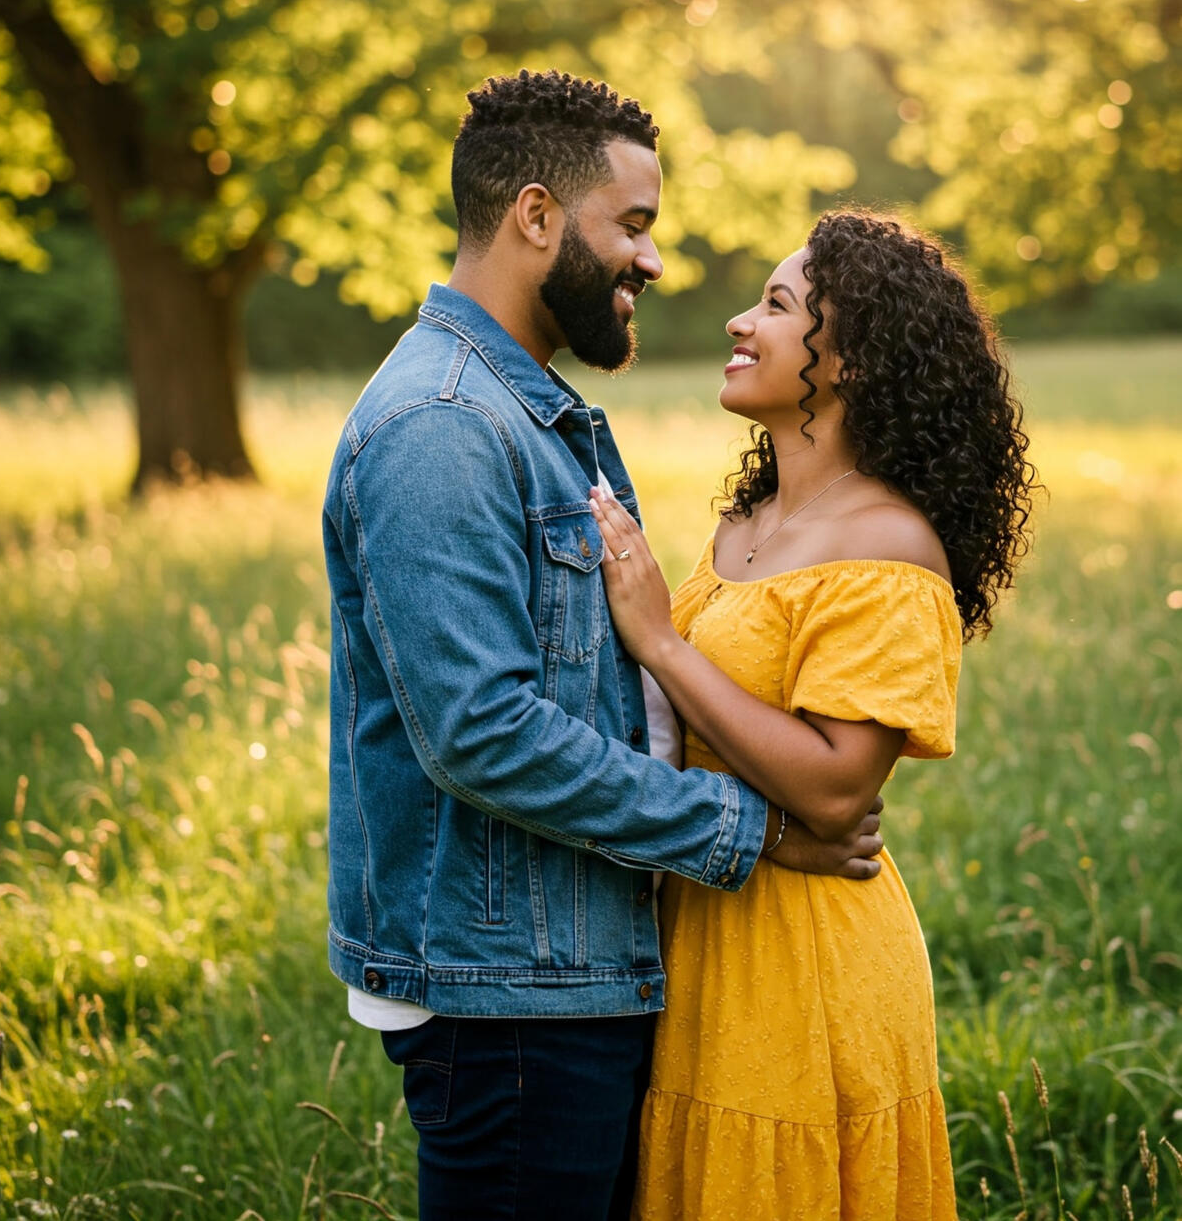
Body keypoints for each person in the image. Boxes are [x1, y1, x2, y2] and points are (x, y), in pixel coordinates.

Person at [321, 73, 886, 1221]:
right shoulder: (446, 426)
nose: (654, 262)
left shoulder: (519, 410)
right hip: (510, 1001)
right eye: (633, 225)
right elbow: (483, 733)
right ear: (536, 217)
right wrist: (752, 829)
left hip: (561, 970)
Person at [587, 210, 1036, 1220]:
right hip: (702, 931)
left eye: (780, 306)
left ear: (854, 364)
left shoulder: (890, 547)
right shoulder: (745, 521)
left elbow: (838, 787)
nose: (743, 322)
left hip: (811, 961)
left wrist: (659, 639)